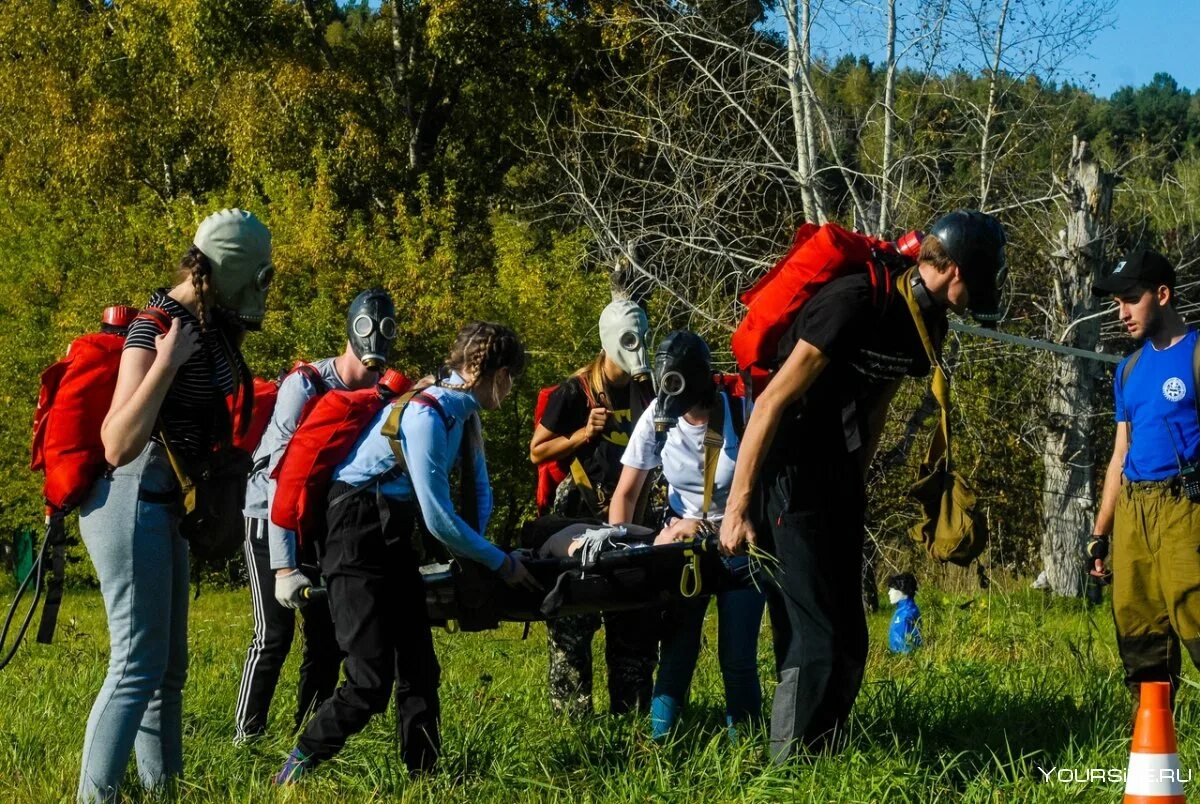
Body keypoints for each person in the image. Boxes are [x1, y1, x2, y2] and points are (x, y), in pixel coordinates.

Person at [719, 210, 1008, 762]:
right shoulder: (854, 303)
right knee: (818, 637)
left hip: (835, 477)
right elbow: (770, 403)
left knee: (851, 640)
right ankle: (788, 772)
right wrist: (737, 508)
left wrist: (856, 484)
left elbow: (877, 403)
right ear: (956, 273)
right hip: (787, 474)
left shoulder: (928, 325)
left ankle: (821, 754)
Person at [276, 321, 541, 783]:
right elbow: (438, 519)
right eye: (510, 377)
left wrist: (475, 558)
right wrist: (500, 562)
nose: (511, 388)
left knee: (419, 666)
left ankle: (426, 779)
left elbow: (480, 490)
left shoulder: (462, 410)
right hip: (353, 531)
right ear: (493, 373)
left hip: (391, 533)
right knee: (368, 680)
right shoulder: (426, 414)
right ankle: (292, 770)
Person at [78, 209, 271, 801]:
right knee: (135, 666)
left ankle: (165, 794)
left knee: (167, 673)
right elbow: (116, 441)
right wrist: (166, 361)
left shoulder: (205, 325)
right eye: (258, 274)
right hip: (130, 496)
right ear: (233, 269)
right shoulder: (157, 324)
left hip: (166, 504)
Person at [234, 288, 397, 743]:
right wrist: (284, 564)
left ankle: (307, 736)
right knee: (273, 634)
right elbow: (279, 474)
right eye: (368, 328)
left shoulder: (377, 395)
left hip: (324, 525)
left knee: (325, 640)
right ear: (352, 330)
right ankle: (247, 737)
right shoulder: (305, 385)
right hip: (268, 519)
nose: (375, 343)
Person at [610, 331, 764, 740]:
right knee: (677, 651)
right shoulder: (658, 417)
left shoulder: (741, 411)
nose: (678, 415)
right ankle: (660, 745)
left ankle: (746, 752)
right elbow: (625, 493)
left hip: (739, 545)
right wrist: (623, 557)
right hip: (683, 550)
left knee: (737, 656)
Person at [529, 300, 659, 716]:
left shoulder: (647, 387)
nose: (636, 347)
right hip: (581, 513)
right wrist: (584, 434)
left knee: (635, 618)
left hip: (637, 512)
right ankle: (575, 724)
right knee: (574, 620)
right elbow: (538, 451)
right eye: (627, 337)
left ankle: (633, 717)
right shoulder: (575, 392)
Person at [1088, 248, 1200, 710]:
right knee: (1137, 626)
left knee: (1195, 613)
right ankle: (1154, 739)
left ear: (1163, 295)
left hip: (1184, 507)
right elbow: (1119, 455)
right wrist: (1100, 533)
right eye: (1117, 303)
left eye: (1131, 300)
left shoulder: (1196, 355)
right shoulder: (1128, 370)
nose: (1122, 313)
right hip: (1133, 510)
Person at [886, 573, 922, 654]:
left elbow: (907, 647)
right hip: (898, 658)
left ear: (903, 591)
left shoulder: (907, 613)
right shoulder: (902, 610)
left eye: (892, 589)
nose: (889, 593)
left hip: (906, 659)